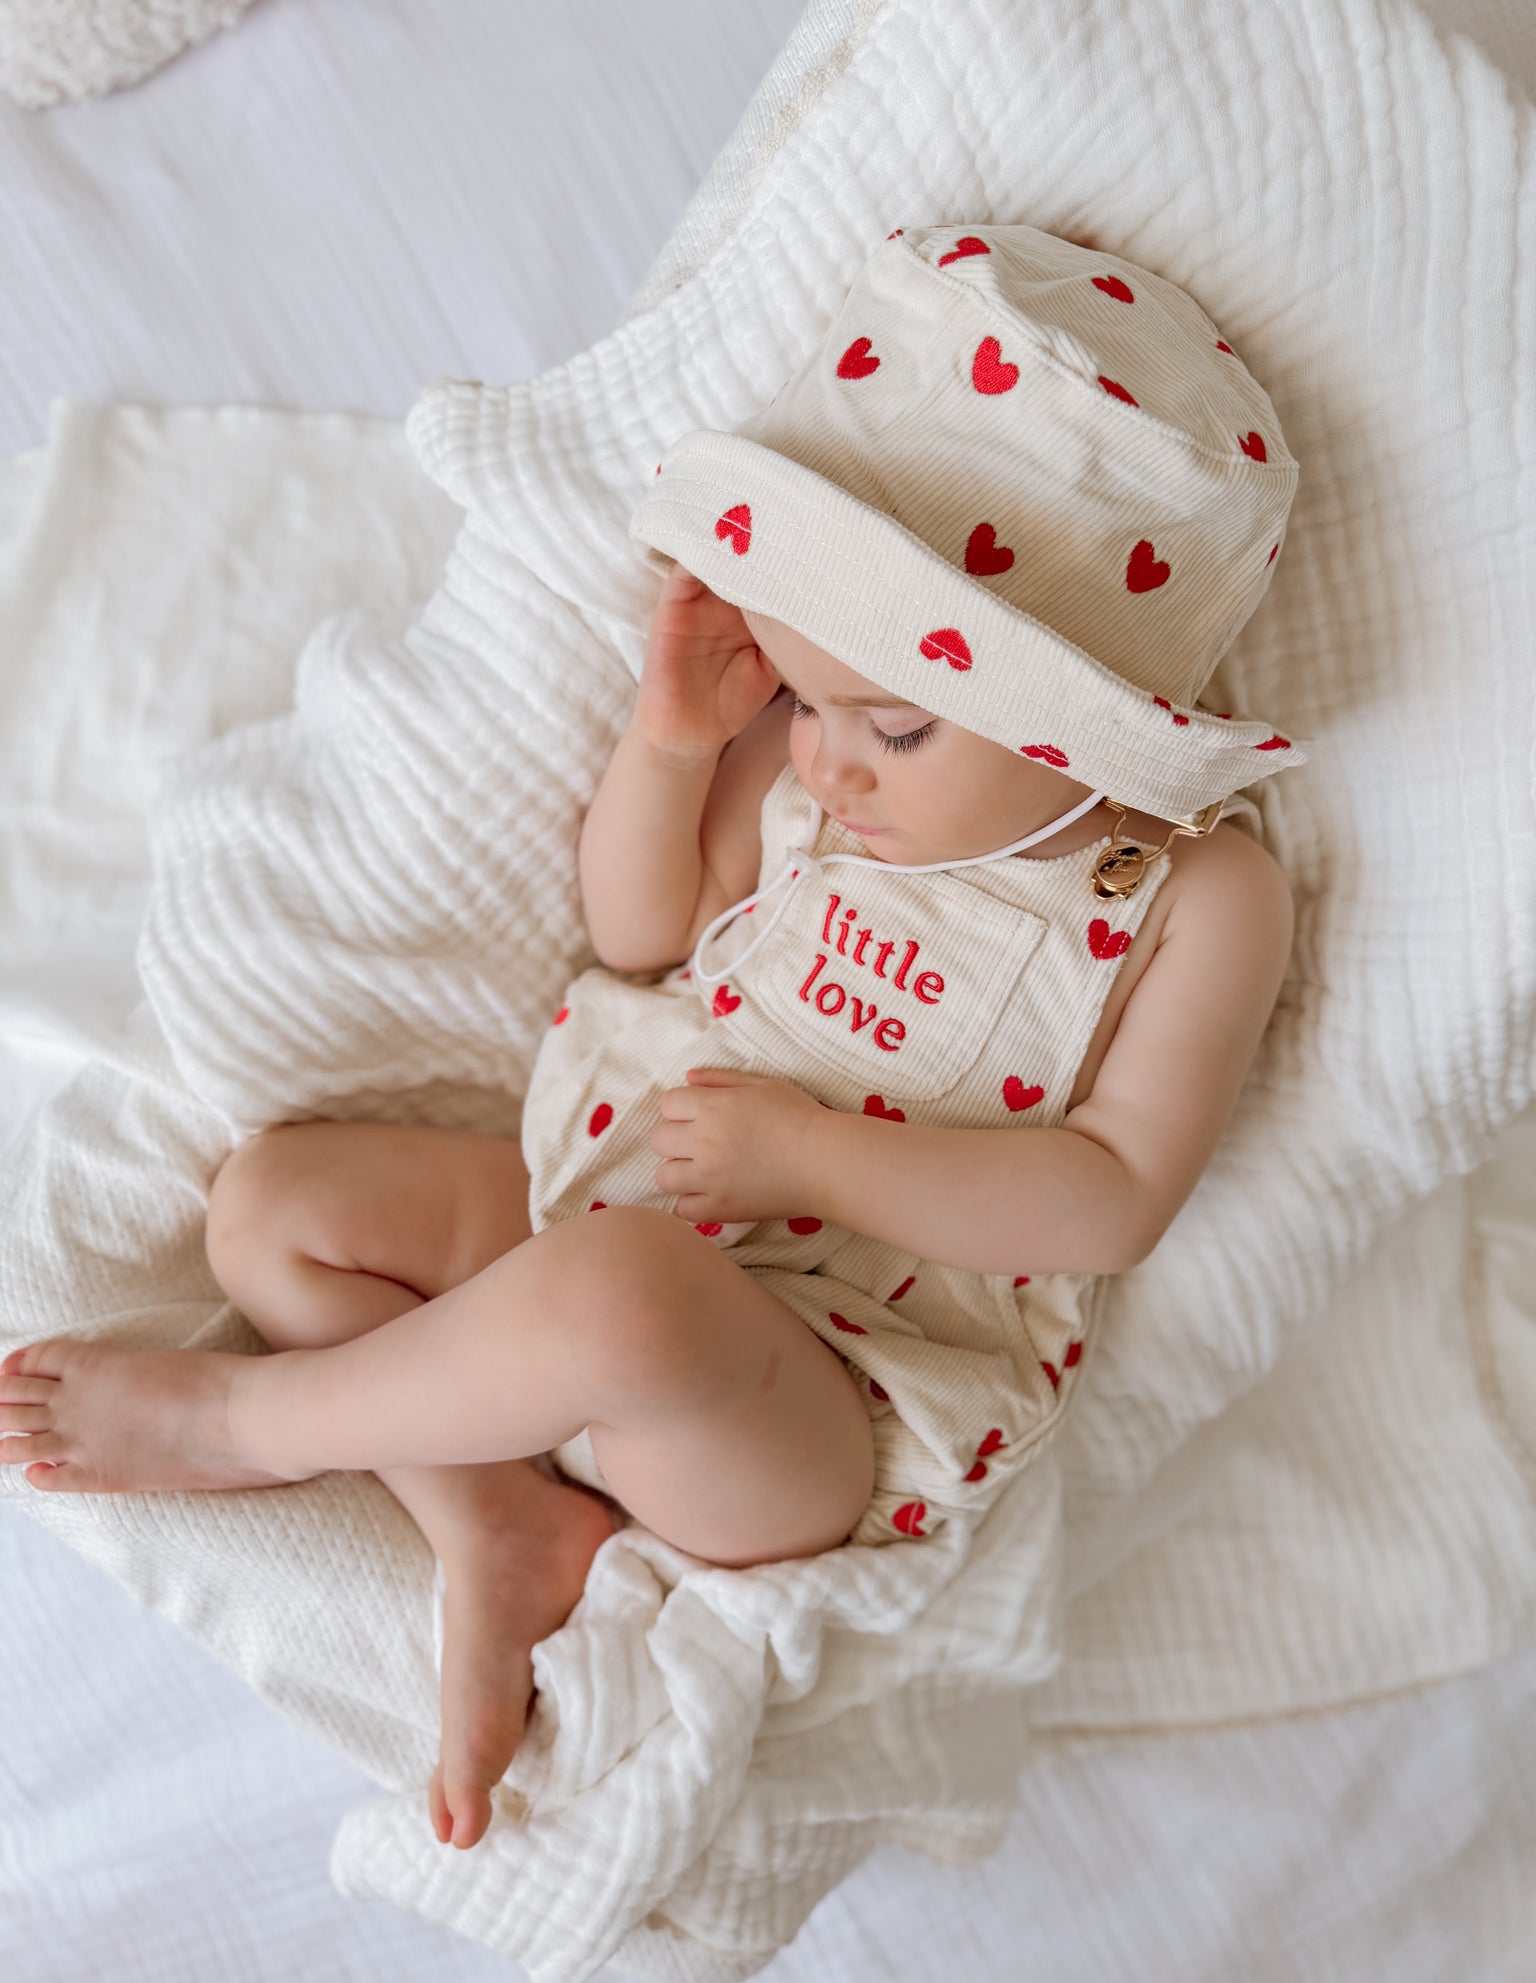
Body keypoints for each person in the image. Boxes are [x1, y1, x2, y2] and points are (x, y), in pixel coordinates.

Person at [0, 223, 1305, 1854]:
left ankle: (245, 1427)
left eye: (896, 725)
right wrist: (675, 747)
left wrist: (809, 1155)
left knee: (624, 1297)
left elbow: (1109, 1198)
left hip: (815, 1391)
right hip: (605, 1206)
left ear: (1087, 710)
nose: (831, 762)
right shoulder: (815, 773)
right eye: (809, 702)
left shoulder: (1190, 894)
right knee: (275, 1206)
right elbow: (641, 932)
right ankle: (497, 1520)